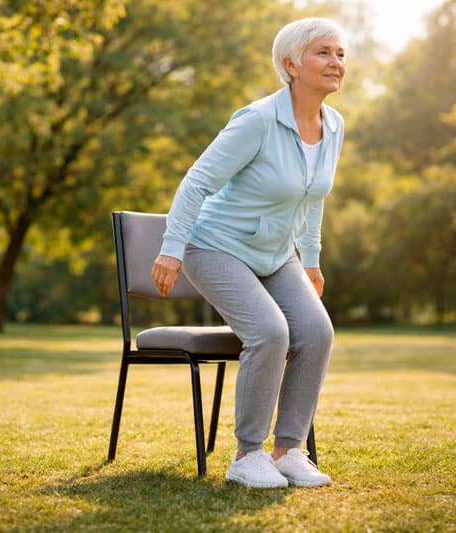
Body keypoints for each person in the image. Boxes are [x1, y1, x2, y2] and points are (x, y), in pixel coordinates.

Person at [151, 17, 346, 488]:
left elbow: (312, 198)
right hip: (214, 245)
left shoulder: (334, 125)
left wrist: (312, 259)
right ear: (291, 64)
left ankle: (288, 451)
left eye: (340, 54)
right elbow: (196, 181)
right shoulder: (258, 119)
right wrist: (172, 248)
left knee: (317, 332)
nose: (336, 62)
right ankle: (247, 455)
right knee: (270, 332)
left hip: (276, 255)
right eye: (323, 52)